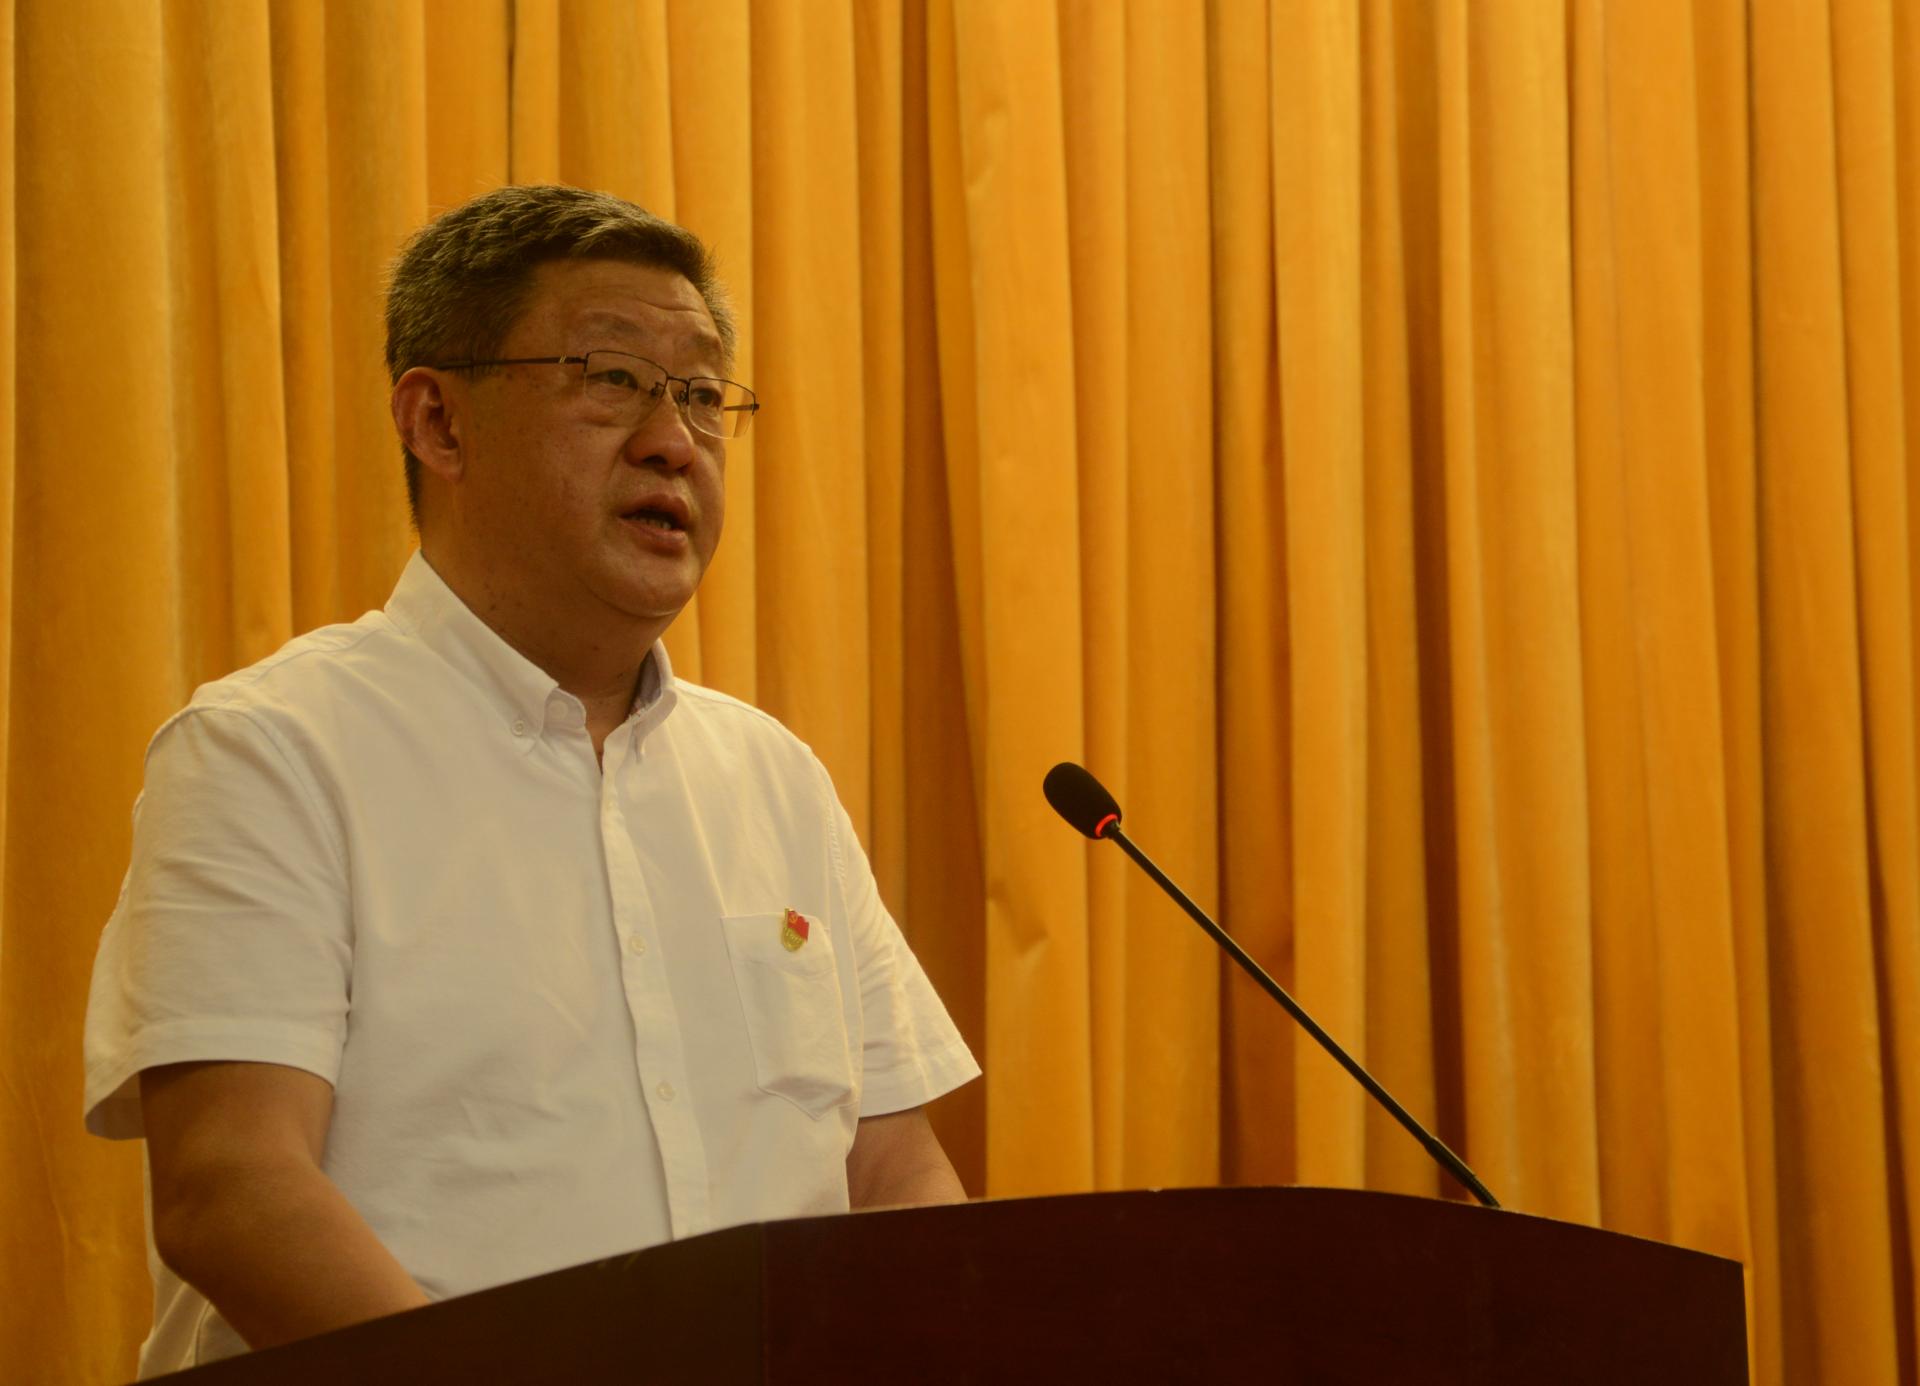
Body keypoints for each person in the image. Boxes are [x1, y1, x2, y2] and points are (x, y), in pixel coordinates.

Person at [82, 184, 979, 1376]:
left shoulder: (775, 779)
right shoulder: (271, 751)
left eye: (703, 393)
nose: (674, 440)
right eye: (613, 378)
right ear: (439, 424)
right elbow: (233, 1188)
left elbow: (897, 1172)